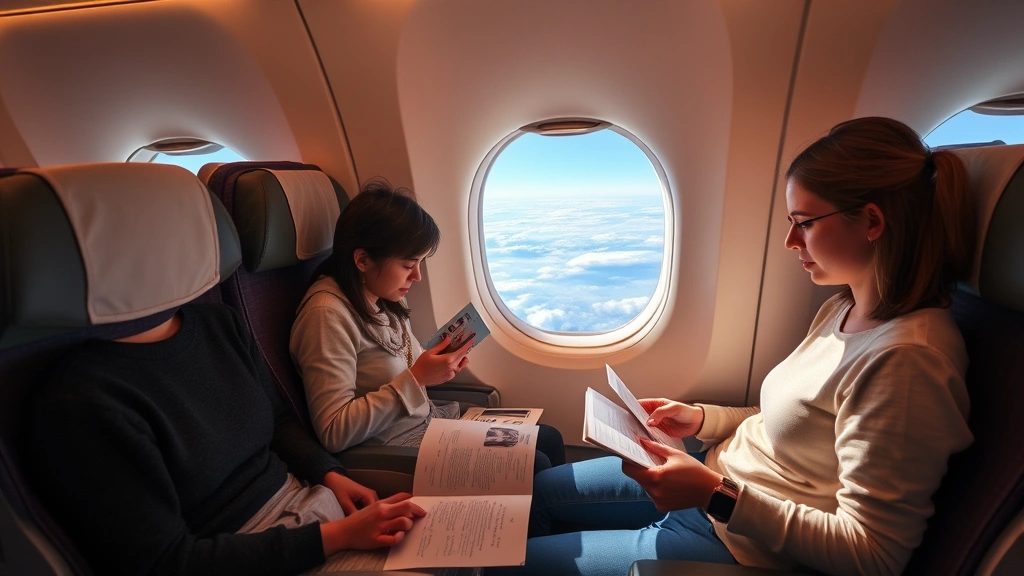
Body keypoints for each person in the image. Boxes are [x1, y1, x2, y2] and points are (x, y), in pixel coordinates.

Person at [488, 117, 976, 576]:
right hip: (710, 477)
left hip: (735, 542)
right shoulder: (843, 309)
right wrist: (703, 418)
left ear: (872, 221)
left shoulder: (908, 363)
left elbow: (874, 554)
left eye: (803, 222)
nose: (789, 240)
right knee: (534, 496)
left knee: (507, 562)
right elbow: (793, 425)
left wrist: (716, 496)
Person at [29, 303, 426, 575]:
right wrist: (338, 537)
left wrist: (331, 475)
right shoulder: (83, 400)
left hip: (315, 513)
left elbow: (278, 419)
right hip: (250, 554)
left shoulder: (219, 324)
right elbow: (167, 563)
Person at [290, 179, 565, 469]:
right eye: (409, 266)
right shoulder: (326, 316)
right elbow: (334, 431)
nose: (417, 277)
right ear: (362, 260)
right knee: (535, 463)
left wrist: (437, 364)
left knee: (547, 439)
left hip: (429, 424)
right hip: (391, 451)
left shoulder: (380, 296)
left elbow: (401, 362)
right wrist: (418, 379)